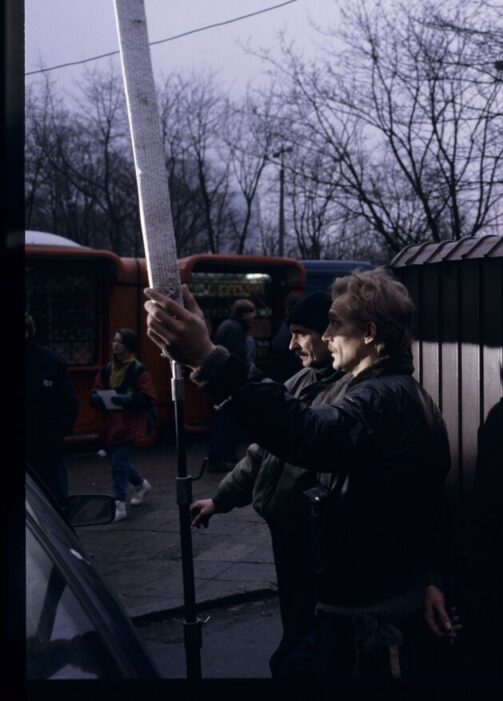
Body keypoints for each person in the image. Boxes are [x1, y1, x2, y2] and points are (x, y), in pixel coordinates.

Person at [144, 268, 460, 678]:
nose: (326, 336)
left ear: (368, 333)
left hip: (361, 612)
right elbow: (428, 501)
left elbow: (309, 435)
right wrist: (433, 576)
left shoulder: (382, 398)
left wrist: (209, 359)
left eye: (335, 323)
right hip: (358, 599)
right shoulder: (399, 392)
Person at [189, 291, 353, 678]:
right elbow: (261, 453)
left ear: (329, 334)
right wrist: (221, 498)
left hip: (316, 534)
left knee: (311, 628)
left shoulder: (348, 391)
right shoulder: (300, 380)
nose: (293, 344)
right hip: (285, 532)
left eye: (301, 333)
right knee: (295, 615)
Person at [89, 328, 154, 522]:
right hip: (110, 425)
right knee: (118, 461)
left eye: (120, 342)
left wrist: (124, 400)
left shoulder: (138, 370)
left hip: (128, 425)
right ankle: (141, 484)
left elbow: (147, 397)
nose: (115, 345)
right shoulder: (107, 369)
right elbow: (96, 389)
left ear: (129, 346)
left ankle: (119, 504)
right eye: (114, 341)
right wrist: (96, 398)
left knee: (118, 464)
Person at [25, 312, 78, 516]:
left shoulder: (49, 361)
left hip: (45, 448)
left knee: (54, 503)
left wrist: (56, 435)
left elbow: (68, 402)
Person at [208, 298, 256, 472]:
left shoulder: (227, 325)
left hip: (220, 380)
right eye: (251, 312)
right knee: (226, 420)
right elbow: (237, 357)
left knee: (224, 419)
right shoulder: (236, 329)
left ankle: (222, 456)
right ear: (243, 314)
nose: (253, 316)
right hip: (229, 382)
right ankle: (220, 458)